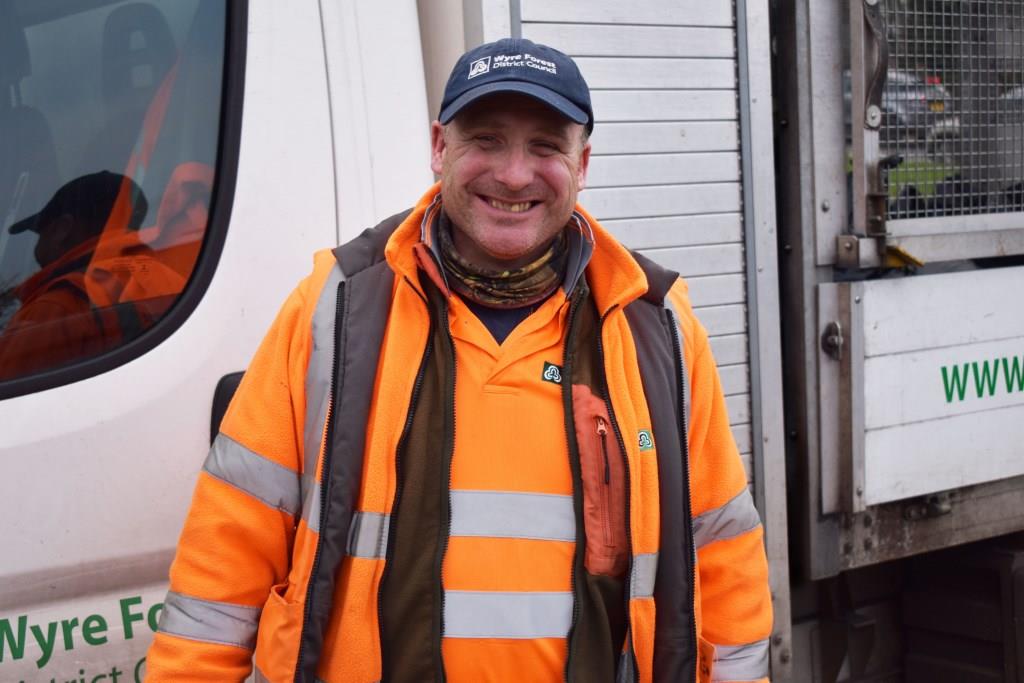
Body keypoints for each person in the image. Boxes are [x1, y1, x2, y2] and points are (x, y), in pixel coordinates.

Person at [144, 38, 772, 683]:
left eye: (546, 147)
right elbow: (228, 550)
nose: (514, 173)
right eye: (487, 139)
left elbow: (723, 554)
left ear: (582, 164)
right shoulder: (338, 307)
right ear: (440, 146)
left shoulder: (654, 325)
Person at [0, 171, 148, 380]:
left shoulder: (57, 307)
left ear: (62, 229)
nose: (38, 242)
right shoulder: (170, 279)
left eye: (41, 230)